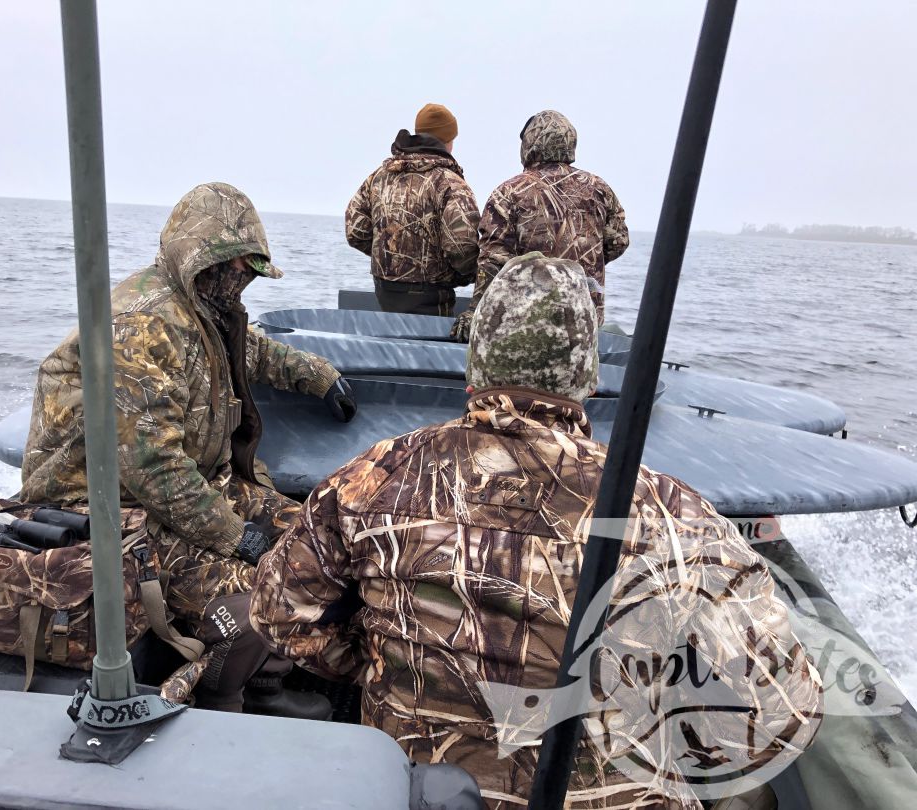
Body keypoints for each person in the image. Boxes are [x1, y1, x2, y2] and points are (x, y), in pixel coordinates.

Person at [250, 253, 821, 808]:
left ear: (475, 366)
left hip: (425, 791)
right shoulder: (669, 512)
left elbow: (277, 612)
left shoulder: (378, 477)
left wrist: (383, 665)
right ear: (589, 377)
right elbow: (781, 712)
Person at [21, 182, 357, 718]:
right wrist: (235, 536)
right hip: (107, 510)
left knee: (320, 533)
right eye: (238, 269)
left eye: (251, 272)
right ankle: (229, 694)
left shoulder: (204, 307)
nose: (244, 282)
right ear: (207, 262)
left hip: (193, 487)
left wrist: (319, 377)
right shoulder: (143, 325)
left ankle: (269, 673)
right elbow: (152, 468)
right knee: (270, 587)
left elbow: (252, 351)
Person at [450, 110, 629, 341]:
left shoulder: (510, 192)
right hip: (583, 320)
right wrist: (578, 263)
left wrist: (475, 311)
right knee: (576, 376)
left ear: (529, 144)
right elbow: (619, 241)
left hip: (526, 322)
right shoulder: (599, 188)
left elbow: (494, 260)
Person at [345, 102, 480, 316]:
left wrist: (391, 258)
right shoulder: (449, 183)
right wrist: (466, 275)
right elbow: (461, 247)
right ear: (448, 140)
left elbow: (356, 230)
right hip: (432, 295)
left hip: (384, 289)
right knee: (430, 346)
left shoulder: (380, 175)